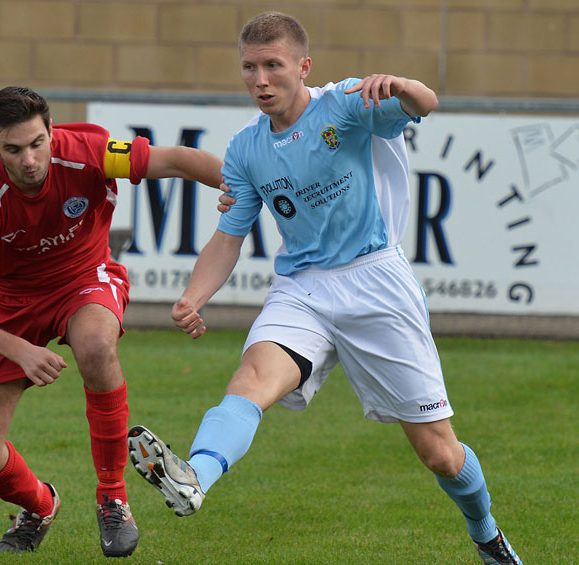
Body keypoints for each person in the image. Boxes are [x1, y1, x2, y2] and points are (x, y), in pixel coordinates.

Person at [127, 11, 522, 565]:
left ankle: (487, 534)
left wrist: (401, 85)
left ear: (303, 66)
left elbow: (425, 103)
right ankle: (196, 475)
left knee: (440, 455)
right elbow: (228, 236)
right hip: (303, 288)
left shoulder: (345, 103)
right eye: (249, 68)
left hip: (376, 282)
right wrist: (193, 297)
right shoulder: (245, 149)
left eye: (273, 65)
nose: (260, 79)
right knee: (252, 378)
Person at [0, 86, 224, 558]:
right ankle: (39, 505)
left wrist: (240, 187)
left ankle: (113, 498)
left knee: (96, 346)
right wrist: (20, 350)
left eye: (37, 143)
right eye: (13, 149)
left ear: (51, 130)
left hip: (85, 278)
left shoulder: (89, 151)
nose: (29, 160)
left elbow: (176, 160)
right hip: (9, 301)